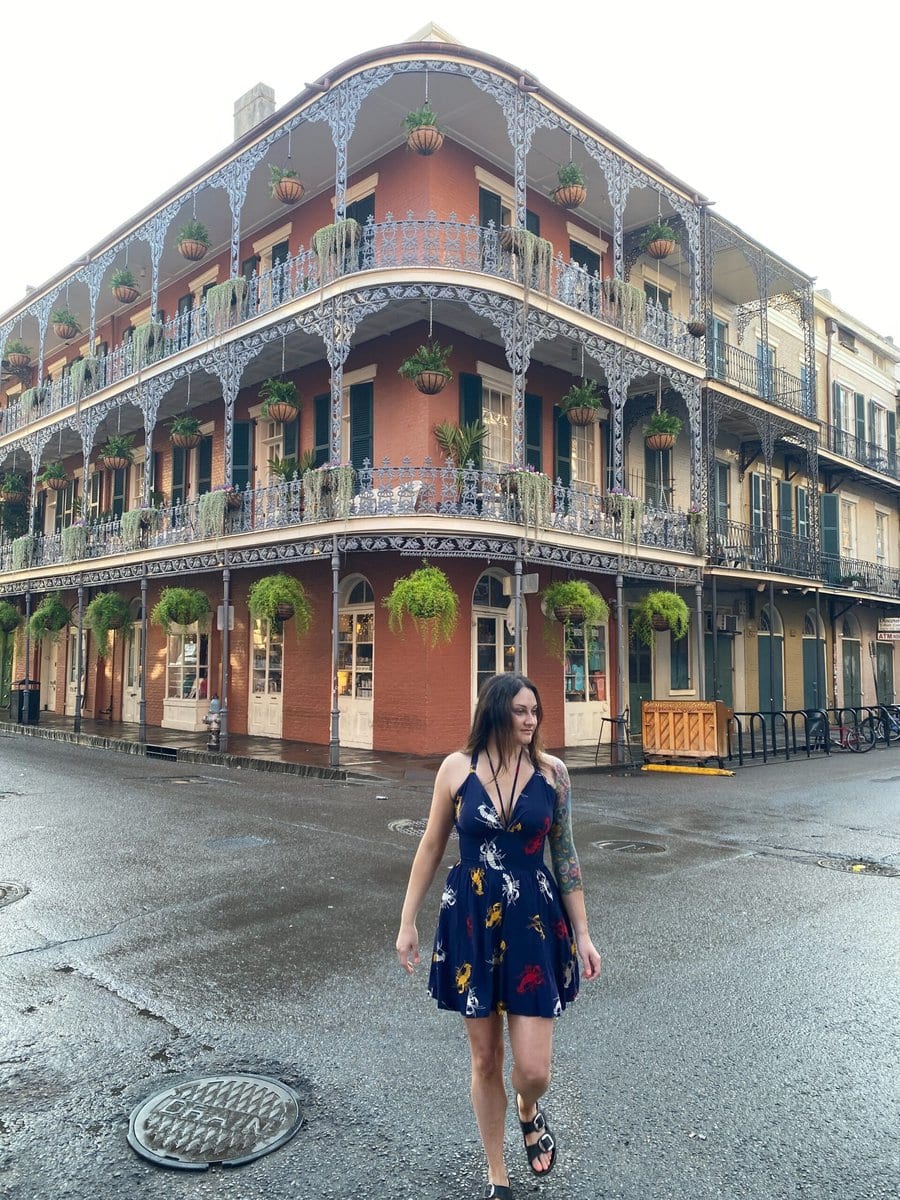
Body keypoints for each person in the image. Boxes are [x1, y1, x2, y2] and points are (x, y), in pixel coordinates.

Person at [396, 673, 601, 1200]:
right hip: (472, 920)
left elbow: (567, 856)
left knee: (533, 1069)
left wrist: (583, 933)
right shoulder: (455, 769)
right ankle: (497, 1175)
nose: (531, 720)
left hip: (534, 919)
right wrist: (407, 921)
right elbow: (430, 845)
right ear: (494, 712)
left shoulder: (553, 774)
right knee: (485, 1059)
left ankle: (528, 1109)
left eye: (535, 711)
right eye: (520, 711)